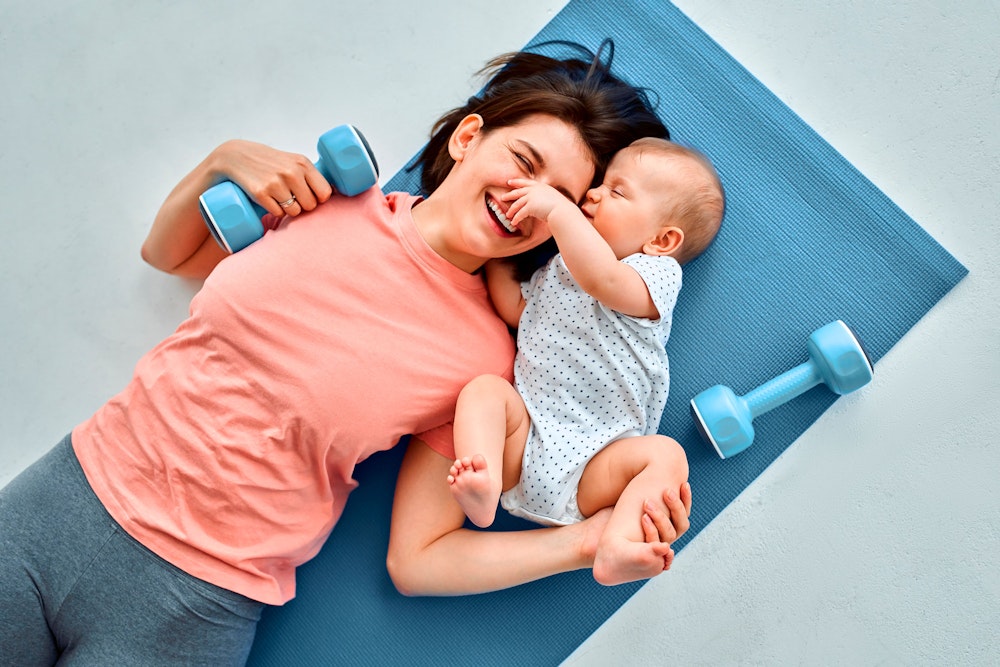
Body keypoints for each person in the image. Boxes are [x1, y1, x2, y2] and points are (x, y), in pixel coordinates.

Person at [0, 43, 691, 664]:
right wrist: (223, 159)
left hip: (196, 600)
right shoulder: (326, 201)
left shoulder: (486, 359)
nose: (527, 200)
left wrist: (588, 541)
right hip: (61, 505)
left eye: (561, 198)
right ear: (471, 136)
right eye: (524, 163)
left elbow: (420, 560)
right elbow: (168, 253)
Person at [439, 138, 724, 586]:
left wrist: (558, 211)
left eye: (617, 191)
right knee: (484, 392)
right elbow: (519, 310)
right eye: (600, 184)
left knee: (666, 454)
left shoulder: (654, 275)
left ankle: (618, 545)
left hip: (597, 462)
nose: (592, 194)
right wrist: (495, 255)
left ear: (661, 239)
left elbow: (603, 278)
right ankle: (484, 483)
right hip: (526, 439)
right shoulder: (558, 269)